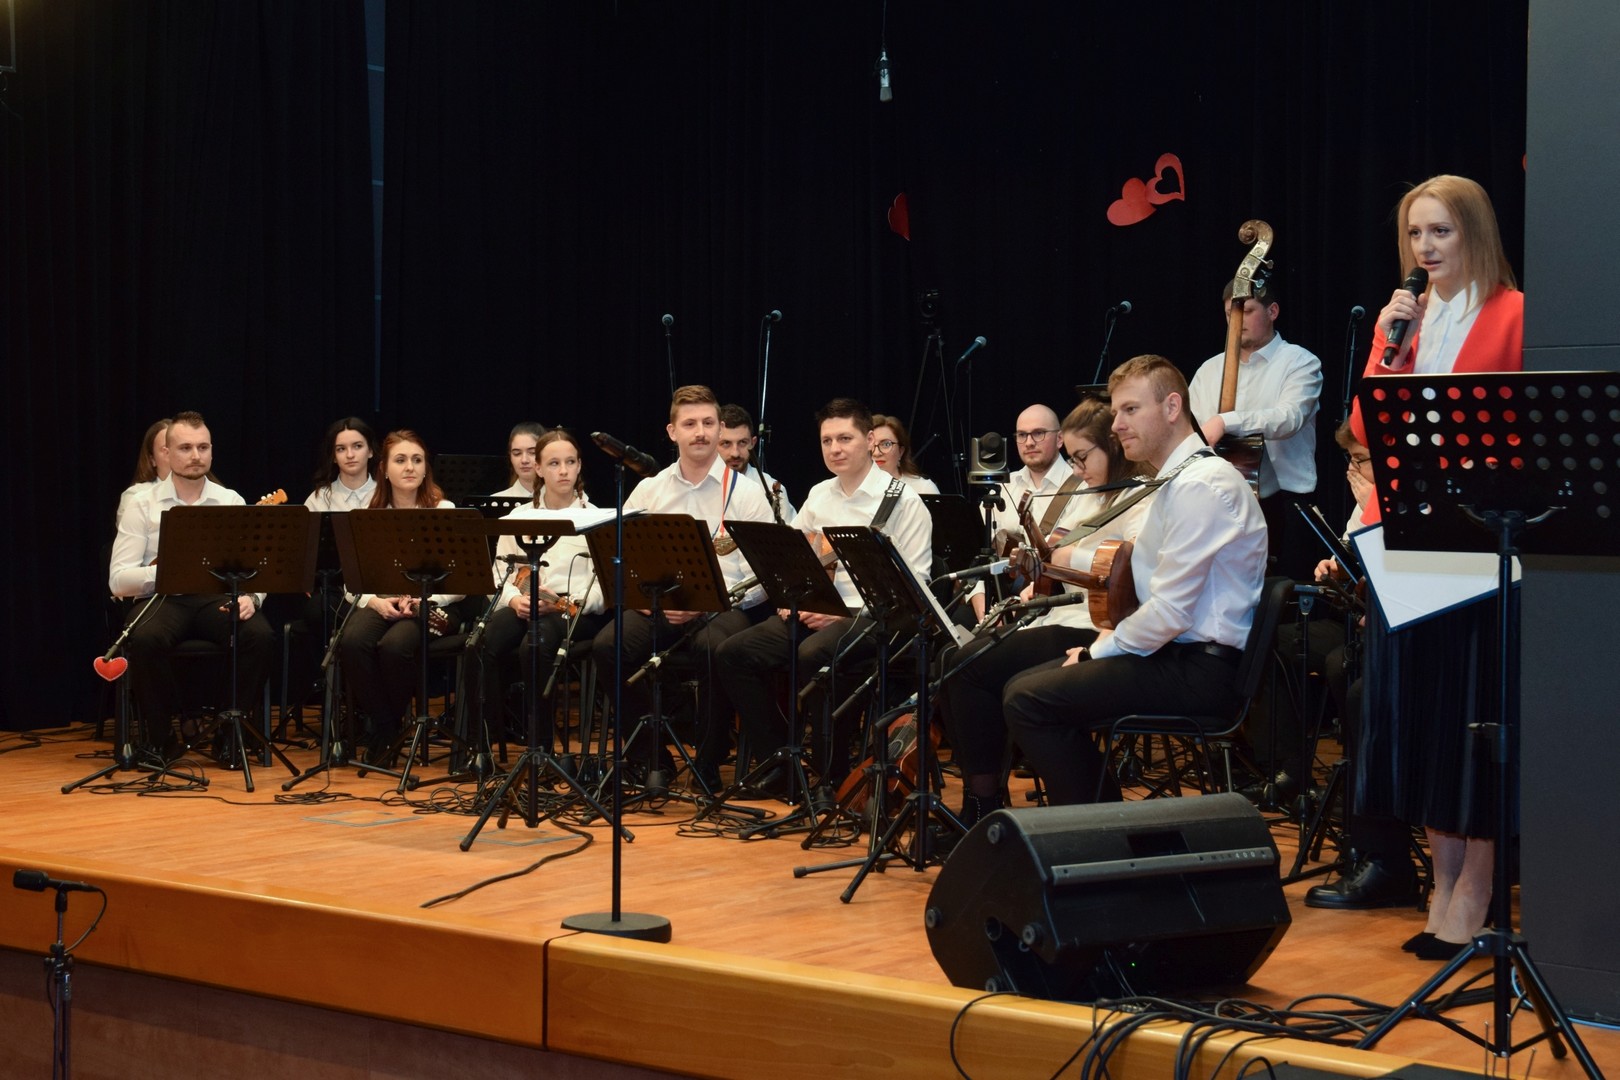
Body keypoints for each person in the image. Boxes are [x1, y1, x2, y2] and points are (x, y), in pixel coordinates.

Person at [1308, 175, 1524, 960]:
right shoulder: (1407, 320)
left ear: (1474, 234)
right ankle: (1441, 883)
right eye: (1415, 236)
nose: (1426, 250)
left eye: (1441, 233)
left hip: (1477, 545)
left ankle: (1477, 887)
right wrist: (1384, 346)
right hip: (1406, 542)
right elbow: (1363, 428)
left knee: (1469, 713)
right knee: (1423, 718)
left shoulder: (1514, 313)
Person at [1002, 355, 1269, 805]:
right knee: (1020, 689)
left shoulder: (1201, 484)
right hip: (1175, 654)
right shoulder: (1178, 480)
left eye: (1130, 410)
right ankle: (1097, 827)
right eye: (1116, 412)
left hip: (1201, 669)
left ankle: (1101, 836)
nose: (1118, 425)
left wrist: (1094, 649)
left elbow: (1170, 611)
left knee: (1028, 700)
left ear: (1171, 407)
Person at [940, 396, 1155, 826]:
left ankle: (991, 806)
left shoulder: (1140, 499)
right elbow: (1062, 558)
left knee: (971, 669)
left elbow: (1128, 573)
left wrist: (1056, 562)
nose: (1076, 470)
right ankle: (985, 802)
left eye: (1081, 457)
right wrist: (1038, 572)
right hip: (1061, 615)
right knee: (954, 661)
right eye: (1073, 459)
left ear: (1112, 447)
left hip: (1096, 627)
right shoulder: (1093, 495)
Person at [716, 398, 933, 798]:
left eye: (845, 438)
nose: (835, 448)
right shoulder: (819, 495)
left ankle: (832, 776)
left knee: (815, 654)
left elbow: (914, 589)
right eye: (827, 440)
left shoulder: (903, 501)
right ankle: (783, 762)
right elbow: (790, 558)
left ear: (869, 440)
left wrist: (840, 615)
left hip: (876, 618)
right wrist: (792, 594)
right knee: (734, 653)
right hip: (817, 610)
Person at [589, 385, 776, 790]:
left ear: (719, 427)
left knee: (715, 648)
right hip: (659, 605)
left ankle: (708, 759)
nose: (701, 432)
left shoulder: (749, 493)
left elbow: (764, 578)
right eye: (690, 424)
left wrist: (709, 602)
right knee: (609, 645)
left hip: (722, 607)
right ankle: (650, 756)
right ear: (672, 431)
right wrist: (639, 598)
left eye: (709, 423)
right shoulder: (650, 489)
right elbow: (622, 559)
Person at [109, 411, 275, 756]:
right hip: (163, 599)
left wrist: (253, 599)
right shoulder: (142, 504)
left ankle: (231, 733)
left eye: (203, 447)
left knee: (259, 635)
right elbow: (119, 579)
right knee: (145, 637)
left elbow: (257, 570)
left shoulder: (230, 501)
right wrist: (168, 572)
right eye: (185, 448)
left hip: (213, 599)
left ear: (212, 451)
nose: (195, 456)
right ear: (167, 453)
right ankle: (159, 739)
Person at [337, 430, 465, 761]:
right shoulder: (368, 514)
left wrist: (429, 600)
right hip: (383, 602)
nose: (409, 467)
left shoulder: (445, 511)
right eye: (401, 460)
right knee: (351, 641)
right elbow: (352, 583)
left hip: (430, 606)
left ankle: (384, 736)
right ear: (384, 469)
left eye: (417, 460)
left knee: (394, 647)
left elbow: (462, 583)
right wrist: (373, 601)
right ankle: (389, 729)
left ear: (426, 469)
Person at [476, 428, 608, 748]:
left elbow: (606, 587)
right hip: (526, 603)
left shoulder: (598, 518)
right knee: (482, 641)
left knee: (534, 646)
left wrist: (565, 602)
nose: (563, 471)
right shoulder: (517, 517)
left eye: (570, 462)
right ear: (538, 469)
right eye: (553, 464)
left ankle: (540, 747)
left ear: (579, 466)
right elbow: (499, 572)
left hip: (574, 611)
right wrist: (513, 600)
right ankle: (485, 744)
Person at [1188, 281, 1323, 579]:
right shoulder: (1209, 370)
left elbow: (1288, 418)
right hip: (1219, 503)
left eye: (1246, 311)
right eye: (1230, 314)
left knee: (1279, 598)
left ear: (1272, 311)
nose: (1236, 321)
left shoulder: (1300, 362)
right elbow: (1193, 433)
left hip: (1286, 500)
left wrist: (1226, 421)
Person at [718, 403, 796, 524]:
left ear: (753, 443)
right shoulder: (703, 485)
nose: (735, 453)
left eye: (742, 442)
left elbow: (790, 539)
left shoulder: (773, 489)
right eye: (726, 443)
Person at [304, 417, 378, 512]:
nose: (350, 455)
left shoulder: (386, 495)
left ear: (370, 451)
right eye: (341, 449)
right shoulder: (318, 500)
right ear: (334, 456)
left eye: (357, 446)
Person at [115, 418, 172, 525]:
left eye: (184, 448)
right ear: (152, 460)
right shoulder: (136, 497)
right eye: (166, 449)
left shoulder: (211, 492)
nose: (175, 454)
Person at [871, 413, 939, 494]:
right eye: (870, 445)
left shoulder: (923, 489)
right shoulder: (853, 488)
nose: (876, 453)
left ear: (901, 451)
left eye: (886, 444)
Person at [493, 421, 548, 499]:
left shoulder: (566, 501)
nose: (524, 460)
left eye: (532, 452)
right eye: (517, 453)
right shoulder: (495, 501)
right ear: (510, 457)